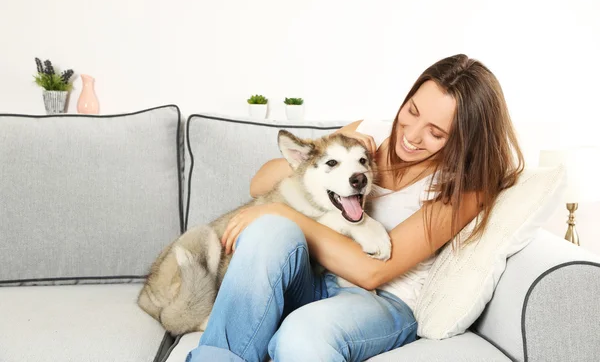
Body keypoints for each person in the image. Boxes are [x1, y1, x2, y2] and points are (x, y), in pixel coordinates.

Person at [186, 54, 524, 362]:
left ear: (463, 138)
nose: (413, 135)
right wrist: (341, 159)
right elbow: (260, 183)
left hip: (380, 300)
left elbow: (372, 272)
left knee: (301, 334)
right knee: (268, 230)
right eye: (412, 112)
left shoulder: (462, 187)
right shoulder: (367, 134)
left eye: (436, 133)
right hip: (317, 277)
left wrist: (286, 214)